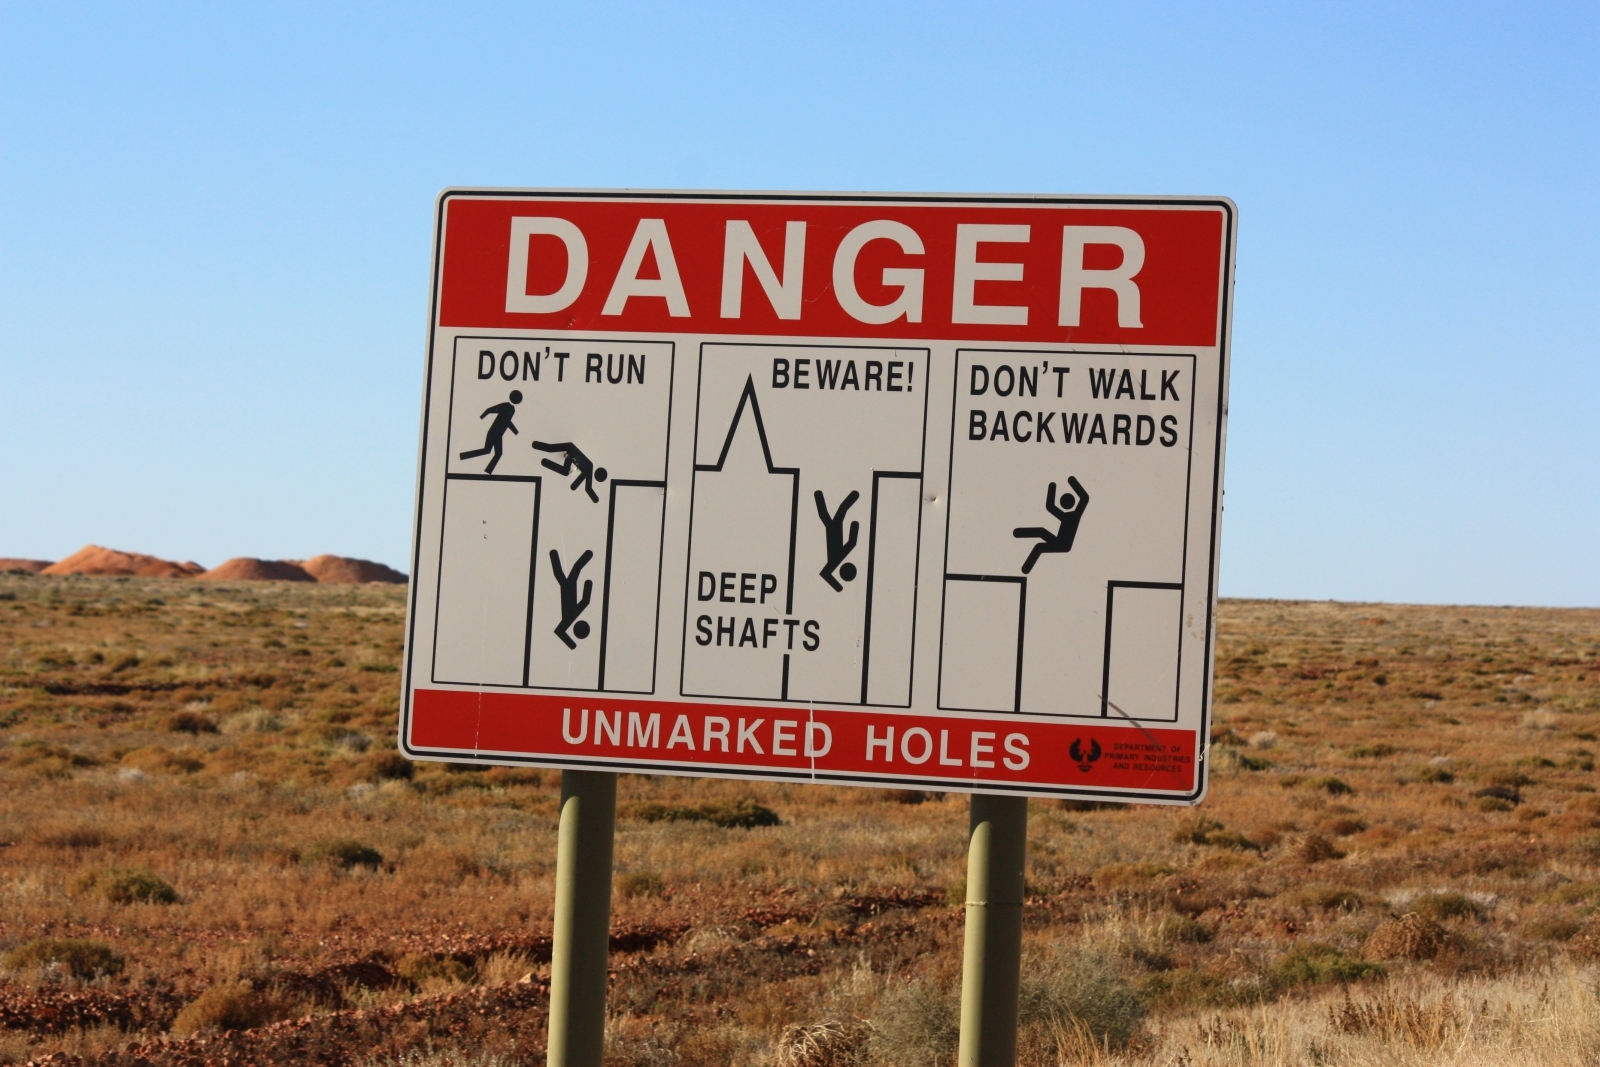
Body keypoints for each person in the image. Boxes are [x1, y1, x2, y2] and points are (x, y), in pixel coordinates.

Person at [1013, 476, 1090, 575]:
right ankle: (1017, 533)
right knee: (1041, 532)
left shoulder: (1075, 515)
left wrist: (1071, 481)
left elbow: (1084, 498)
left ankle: (1025, 569)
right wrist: (1052, 487)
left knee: (1039, 546)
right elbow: (1050, 507)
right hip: (1059, 541)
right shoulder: (1066, 516)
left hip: (1063, 545)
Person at [457, 391, 522, 474]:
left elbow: (507, 421)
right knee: (491, 451)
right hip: (494, 432)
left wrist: (515, 431)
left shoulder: (512, 410)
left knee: (493, 452)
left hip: (498, 434)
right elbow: (489, 410)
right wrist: (480, 418)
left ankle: (486, 470)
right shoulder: (505, 406)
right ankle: (464, 456)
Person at [815, 489, 861, 592]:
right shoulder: (835, 562)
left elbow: (825, 574)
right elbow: (851, 543)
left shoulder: (833, 564)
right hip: (835, 539)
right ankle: (818, 495)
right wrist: (854, 528)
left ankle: (818, 495)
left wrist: (838, 587)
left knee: (834, 513)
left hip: (834, 538)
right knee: (838, 511)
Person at [532, 440, 608, 503]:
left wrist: (574, 486)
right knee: (564, 470)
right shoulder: (589, 468)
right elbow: (588, 488)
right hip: (570, 450)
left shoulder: (589, 467)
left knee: (551, 449)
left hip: (570, 450)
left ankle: (537, 450)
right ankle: (538, 451)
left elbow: (586, 486)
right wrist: (595, 499)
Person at [550, 549, 594, 649]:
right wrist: (588, 587)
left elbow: (559, 631)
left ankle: (554, 554)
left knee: (566, 572)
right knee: (572, 570)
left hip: (568, 593)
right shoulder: (570, 619)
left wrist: (572, 644)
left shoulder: (568, 620)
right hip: (569, 593)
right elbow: (585, 601)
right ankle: (554, 554)